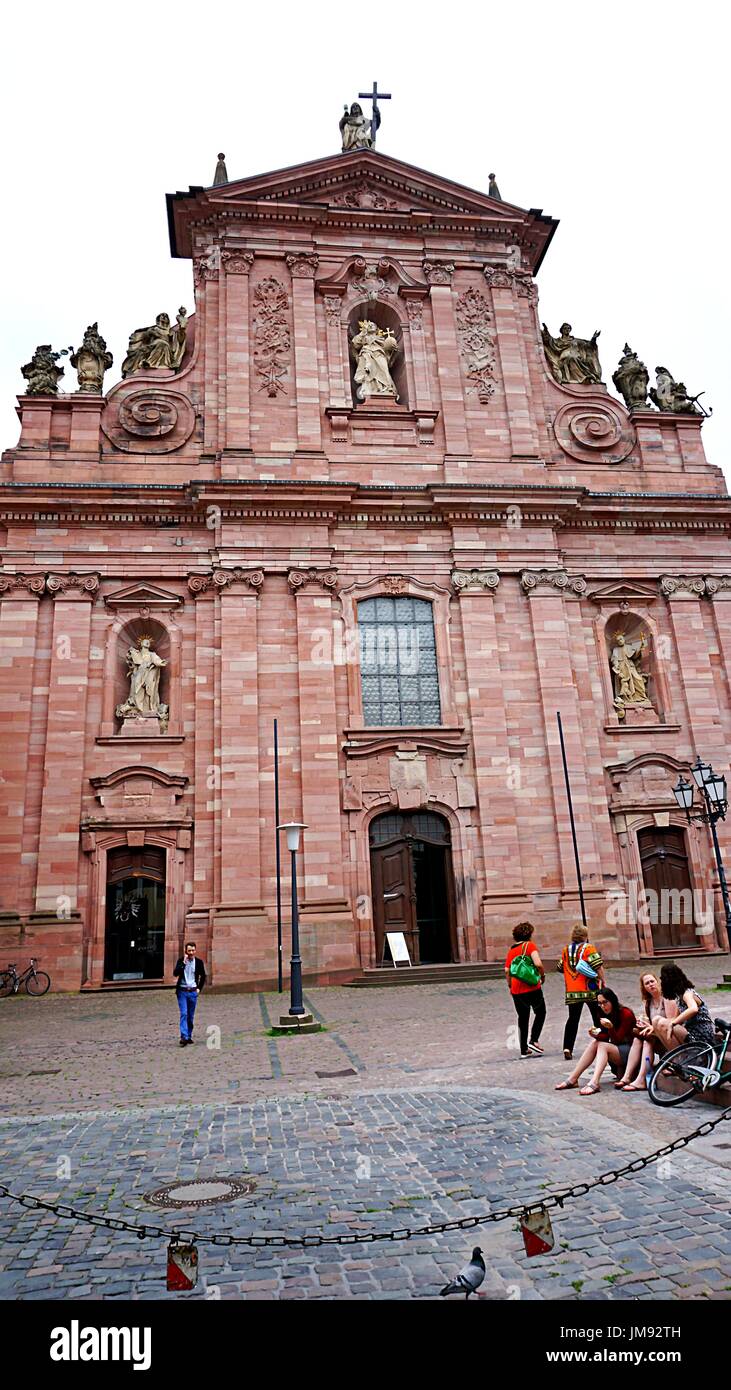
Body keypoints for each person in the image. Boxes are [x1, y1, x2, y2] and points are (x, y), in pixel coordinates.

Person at [555, 987, 636, 1095]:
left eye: (605, 1002)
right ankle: (573, 1078)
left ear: (612, 1000)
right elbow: (605, 1037)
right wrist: (595, 1035)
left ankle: (594, 1082)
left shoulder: (625, 1013)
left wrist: (610, 1028)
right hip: (617, 1050)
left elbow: (617, 1039)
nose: (603, 1006)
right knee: (596, 1043)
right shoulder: (603, 1013)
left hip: (631, 1051)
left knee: (602, 1046)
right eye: (600, 1003)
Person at [614, 972, 678, 1092]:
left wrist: (652, 1028)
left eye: (652, 981)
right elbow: (651, 1023)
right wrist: (644, 1024)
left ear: (657, 982)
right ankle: (627, 1077)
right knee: (638, 1038)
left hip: (669, 1038)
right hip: (657, 1036)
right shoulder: (648, 1002)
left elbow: (671, 1023)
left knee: (647, 1041)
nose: (651, 985)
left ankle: (641, 1079)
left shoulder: (667, 998)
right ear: (644, 988)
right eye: (647, 983)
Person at [557, 923, 605, 1060]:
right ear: (585, 936)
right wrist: (603, 980)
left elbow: (560, 967)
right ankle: (602, 1042)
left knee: (572, 1019)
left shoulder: (566, 950)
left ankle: (567, 1047)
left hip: (572, 991)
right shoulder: (588, 948)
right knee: (597, 1016)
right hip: (590, 989)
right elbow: (598, 966)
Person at [505, 922, 546, 1059]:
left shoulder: (512, 950)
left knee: (522, 1018)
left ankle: (523, 1049)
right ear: (529, 934)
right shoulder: (530, 946)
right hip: (531, 986)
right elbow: (538, 963)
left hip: (517, 989)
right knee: (540, 1012)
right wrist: (542, 975)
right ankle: (534, 1039)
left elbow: (507, 971)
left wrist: (510, 986)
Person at [652, 964, 717, 1051]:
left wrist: (672, 1023)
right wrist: (654, 1027)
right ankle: (677, 1058)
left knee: (666, 1024)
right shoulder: (679, 997)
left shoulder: (687, 993)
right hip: (690, 1032)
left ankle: (681, 1058)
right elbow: (675, 1018)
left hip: (701, 1036)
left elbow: (693, 1009)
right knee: (656, 1020)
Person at [173, 941, 206, 1047]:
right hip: (182, 991)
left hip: (192, 991)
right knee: (184, 1013)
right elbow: (175, 973)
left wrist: (199, 989)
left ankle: (189, 1035)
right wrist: (183, 963)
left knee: (190, 1016)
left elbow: (203, 976)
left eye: (193, 950)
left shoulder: (199, 962)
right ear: (185, 951)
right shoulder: (181, 961)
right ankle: (184, 1036)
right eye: (189, 950)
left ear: (195, 950)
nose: (191, 952)